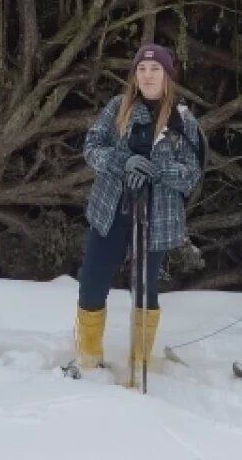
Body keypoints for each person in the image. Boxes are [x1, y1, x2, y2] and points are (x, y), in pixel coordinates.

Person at [75, 43, 205, 374]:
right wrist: (124, 162)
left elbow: (192, 173)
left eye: (155, 69)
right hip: (111, 210)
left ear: (167, 75)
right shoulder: (119, 107)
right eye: (142, 70)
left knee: (145, 289)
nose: (147, 75)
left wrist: (161, 173)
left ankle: (139, 362)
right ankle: (89, 357)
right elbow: (91, 147)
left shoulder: (181, 119)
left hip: (156, 217)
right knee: (92, 282)